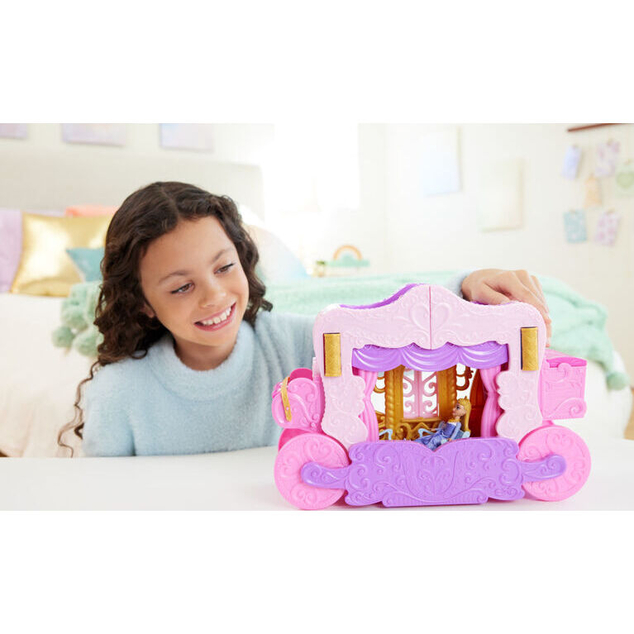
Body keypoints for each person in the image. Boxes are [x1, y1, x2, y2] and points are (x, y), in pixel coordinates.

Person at [58, 182, 552, 457]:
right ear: (143, 302)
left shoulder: (298, 345)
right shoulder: (119, 394)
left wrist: (466, 285)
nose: (215, 296)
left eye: (224, 267)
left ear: (243, 260)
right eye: (181, 287)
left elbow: (380, 317)